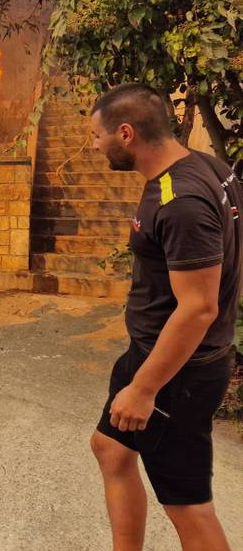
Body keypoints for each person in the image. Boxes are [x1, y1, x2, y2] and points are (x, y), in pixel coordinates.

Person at [89, 83, 239, 551]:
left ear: (126, 133)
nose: (94, 146)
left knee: (188, 506)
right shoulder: (208, 168)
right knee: (111, 448)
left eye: (97, 136)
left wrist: (145, 388)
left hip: (177, 370)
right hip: (153, 353)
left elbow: (198, 307)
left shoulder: (181, 202)